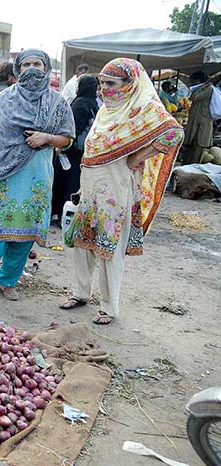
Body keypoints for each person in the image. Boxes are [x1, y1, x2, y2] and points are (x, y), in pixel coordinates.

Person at [60, 58, 183, 325]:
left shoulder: (143, 109)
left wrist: (140, 156)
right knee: (82, 243)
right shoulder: (107, 111)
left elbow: (174, 133)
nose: (105, 89)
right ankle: (80, 293)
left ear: (130, 84)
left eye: (111, 83)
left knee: (108, 249)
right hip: (91, 189)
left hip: (117, 192)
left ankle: (108, 307)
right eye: (102, 83)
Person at [0, 49, 75, 305]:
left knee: (23, 236)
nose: (32, 68)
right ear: (17, 69)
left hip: (37, 178)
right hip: (3, 177)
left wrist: (47, 138)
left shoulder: (58, 103)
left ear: (46, 67)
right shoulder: (3, 101)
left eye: (37, 64)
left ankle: (7, 282)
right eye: (27, 64)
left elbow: (68, 138)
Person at [52, 75, 99, 225]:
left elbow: (72, 129)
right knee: (75, 183)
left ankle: (59, 214)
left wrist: (61, 145)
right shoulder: (94, 104)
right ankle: (69, 215)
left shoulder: (79, 104)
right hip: (83, 152)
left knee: (63, 182)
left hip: (70, 150)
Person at [184, 71, 213, 164]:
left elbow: (194, 97)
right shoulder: (204, 88)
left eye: (193, 82)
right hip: (196, 122)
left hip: (202, 124)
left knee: (198, 148)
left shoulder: (208, 89)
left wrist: (199, 88)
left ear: (198, 81)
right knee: (190, 147)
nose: (191, 84)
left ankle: (192, 168)